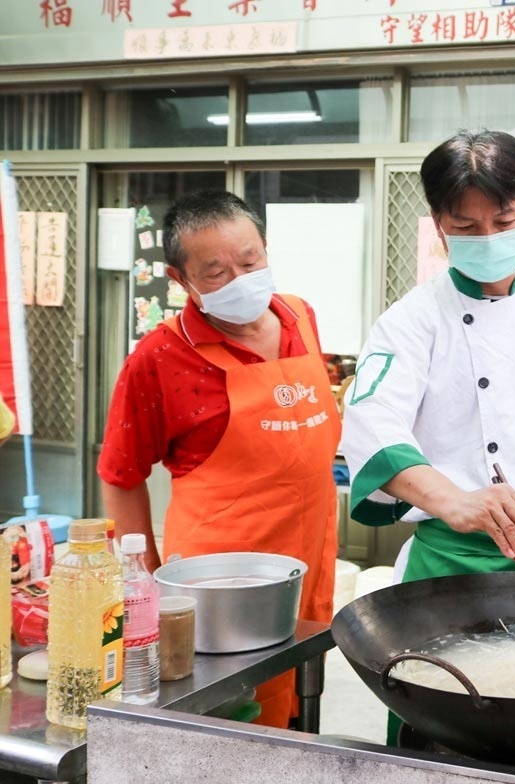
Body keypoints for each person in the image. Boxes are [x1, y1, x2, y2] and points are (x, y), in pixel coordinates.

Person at [98, 189, 340, 729]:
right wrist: (149, 588)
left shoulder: (301, 316)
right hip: (220, 591)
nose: (239, 280)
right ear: (179, 279)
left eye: (250, 262)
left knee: (303, 709)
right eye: (215, 272)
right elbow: (120, 474)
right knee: (236, 730)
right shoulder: (160, 357)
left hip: (311, 563)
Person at [342, 129, 515, 584]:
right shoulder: (411, 320)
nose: (488, 238)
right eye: (467, 228)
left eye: (504, 221)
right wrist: (456, 501)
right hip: (452, 564)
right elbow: (373, 425)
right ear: (438, 224)